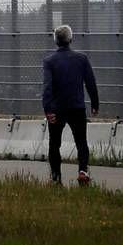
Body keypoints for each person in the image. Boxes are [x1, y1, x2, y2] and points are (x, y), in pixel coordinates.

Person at [41, 24, 99, 185]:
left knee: (54, 143)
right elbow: (90, 83)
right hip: (77, 107)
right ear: (70, 39)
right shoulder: (82, 59)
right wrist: (95, 103)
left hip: (57, 108)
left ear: (56, 41)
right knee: (81, 141)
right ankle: (82, 171)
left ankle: (55, 177)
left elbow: (47, 87)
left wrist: (47, 109)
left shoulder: (49, 61)